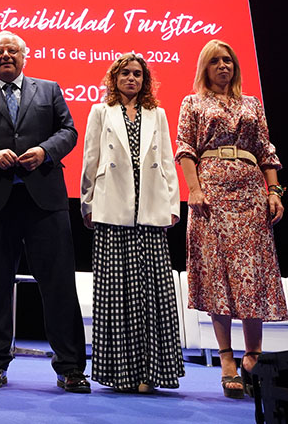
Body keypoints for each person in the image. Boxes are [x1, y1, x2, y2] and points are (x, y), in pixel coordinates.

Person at [0, 30, 90, 393]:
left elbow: (69, 131)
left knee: (58, 283)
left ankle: (71, 367)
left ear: (25, 57)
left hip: (44, 199)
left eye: (13, 50)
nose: (6, 55)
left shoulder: (49, 89)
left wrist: (45, 151)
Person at [176, 39, 287, 398]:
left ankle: (253, 356)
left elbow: (266, 150)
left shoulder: (251, 103)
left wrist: (274, 192)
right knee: (217, 273)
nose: (223, 66)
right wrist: (194, 190)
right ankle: (226, 359)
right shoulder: (192, 103)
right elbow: (186, 149)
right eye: (215, 62)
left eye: (228, 60)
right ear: (204, 68)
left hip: (251, 193)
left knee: (251, 271)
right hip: (211, 194)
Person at [79, 53, 184, 393]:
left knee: (153, 293)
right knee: (116, 293)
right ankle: (120, 373)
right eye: (125, 73)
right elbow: (90, 157)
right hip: (112, 209)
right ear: (115, 77)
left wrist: (172, 204)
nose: (132, 79)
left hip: (150, 210)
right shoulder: (100, 112)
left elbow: (167, 160)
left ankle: (152, 373)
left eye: (138, 74)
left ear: (145, 80)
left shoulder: (158, 114)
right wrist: (88, 203)